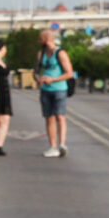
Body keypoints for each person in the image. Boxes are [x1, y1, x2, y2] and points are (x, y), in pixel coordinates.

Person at [34, 29, 75, 157]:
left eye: (40, 38)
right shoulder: (41, 54)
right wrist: (38, 79)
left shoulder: (60, 53)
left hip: (59, 88)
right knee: (49, 118)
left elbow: (69, 73)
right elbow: (36, 71)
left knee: (60, 116)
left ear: (47, 39)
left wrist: (54, 79)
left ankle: (62, 144)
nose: (38, 41)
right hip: (45, 90)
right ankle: (53, 146)